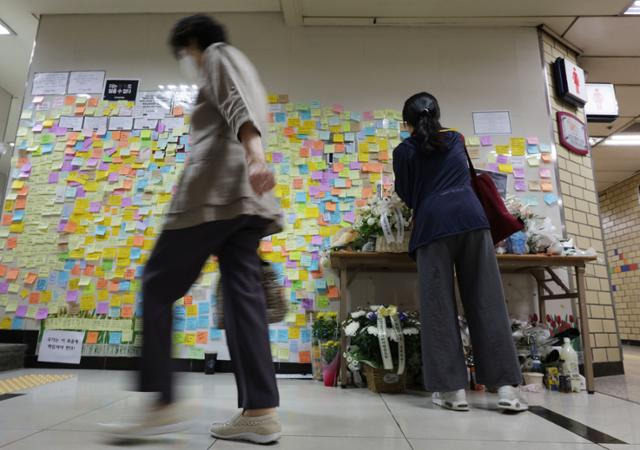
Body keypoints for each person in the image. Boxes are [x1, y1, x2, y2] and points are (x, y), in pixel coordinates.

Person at [104, 14, 283, 443]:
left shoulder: (219, 55)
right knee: (243, 298)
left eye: (183, 53)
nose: (185, 60)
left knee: (157, 283)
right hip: (245, 202)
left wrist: (255, 154)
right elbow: (243, 104)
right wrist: (254, 159)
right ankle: (260, 411)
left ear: (191, 43)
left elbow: (235, 104)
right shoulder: (249, 69)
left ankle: (162, 401)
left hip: (213, 195)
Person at [392, 92, 527, 412]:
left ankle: (454, 391)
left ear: (405, 123)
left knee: (438, 306)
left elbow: (408, 194)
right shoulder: (456, 139)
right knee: (487, 300)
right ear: (437, 113)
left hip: (432, 226)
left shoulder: (403, 151)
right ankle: (506, 388)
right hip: (472, 221)